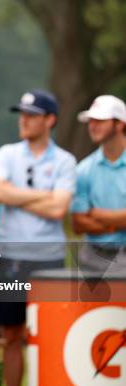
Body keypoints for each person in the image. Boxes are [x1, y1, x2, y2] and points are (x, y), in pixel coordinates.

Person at [0, 89, 76, 386]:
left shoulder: (65, 160)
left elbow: (59, 210)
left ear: (50, 120)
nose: (24, 121)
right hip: (12, 257)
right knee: (11, 336)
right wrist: (42, 195)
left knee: (50, 335)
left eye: (32, 115)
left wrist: (18, 195)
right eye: (22, 114)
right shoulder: (7, 154)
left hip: (49, 260)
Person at [71, 95, 126, 271]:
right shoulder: (83, 169)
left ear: (120, 124)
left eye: (100, 120)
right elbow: (78, 224)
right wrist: (117, 223)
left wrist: (98, 215)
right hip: (92, 258)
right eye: (91, 120)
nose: (93, 125)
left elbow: (87, 218)